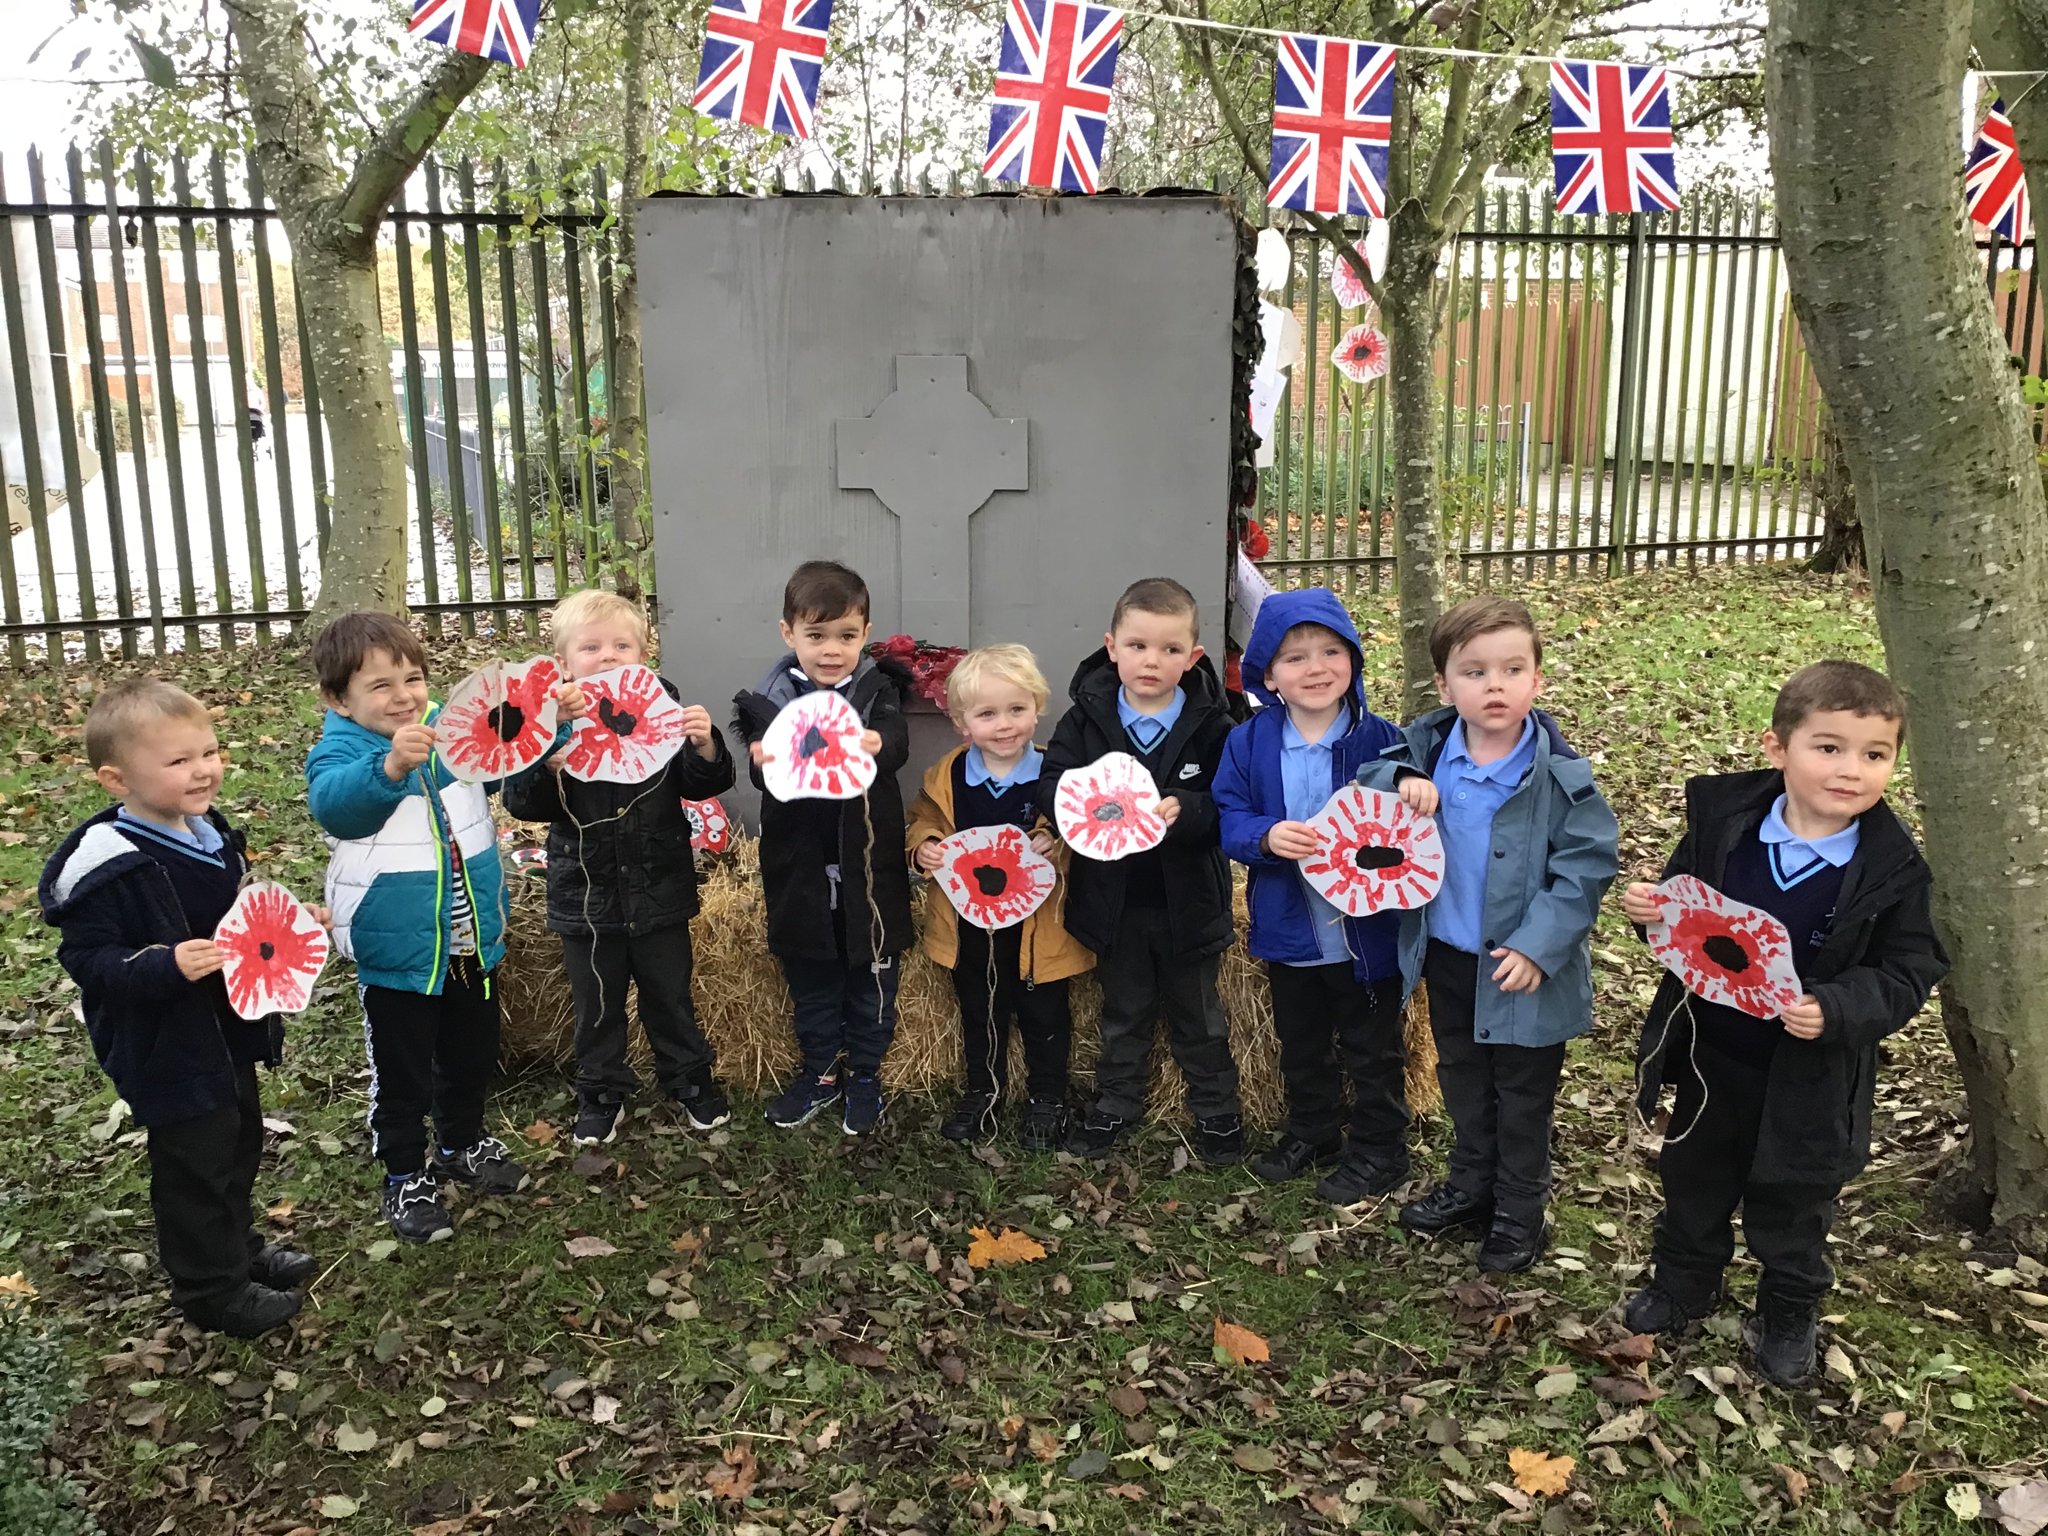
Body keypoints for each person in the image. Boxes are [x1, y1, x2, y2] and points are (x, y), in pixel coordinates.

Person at [1619, 661, 1947, 1387]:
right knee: (1693, 1178)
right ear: (1778, 748)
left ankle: (1788, 1307)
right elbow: (1686, 926)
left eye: (1874, 755)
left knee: (1794, 1203)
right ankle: (1683, 1284)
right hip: (1713, 1056)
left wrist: (1838, 1007)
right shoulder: (1727, 832)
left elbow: (1909, 967)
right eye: (1827, 747)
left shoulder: (1893, 871)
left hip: (1811, 1079)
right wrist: (1653, 914)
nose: (1850, 770)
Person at [39, 680, 314, 1337]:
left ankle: (240, 1254)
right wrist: (161, 964)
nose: (203, 770)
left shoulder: (207, 830)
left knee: (240, 1138)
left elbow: (237, 916)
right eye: (178, 761)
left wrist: (293, 923)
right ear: (116, 779)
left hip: (227, 1029)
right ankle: (212, 1292)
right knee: (195, 1163)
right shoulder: (110, 864)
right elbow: (88, 960)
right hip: (168, 1044)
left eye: (209, 752)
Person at [1359, 596, 1617, 1273]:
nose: (1494, 685)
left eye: (1511, 669)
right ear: (1445, 686)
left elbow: (1586, 865)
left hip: (1526, 966)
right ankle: (1472, 1185)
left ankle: (1519, 1210)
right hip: (1447, 954)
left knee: (1524, 1093)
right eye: (1474, 672)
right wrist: (1402, 778)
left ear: (1538, 679)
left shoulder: (1560, 777)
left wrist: (1540, 944)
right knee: (1465, 1077)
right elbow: (1371, 777)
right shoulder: (1428, 748)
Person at [306, 613, 581, 1243]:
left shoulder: (449, 732)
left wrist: (554, 719)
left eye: (414, 678)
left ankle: (462, 1140)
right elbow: (335, 805)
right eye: (379, 686)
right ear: (336, 699)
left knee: (470, 1054)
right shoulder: (342, 752)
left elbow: (509, 742)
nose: (403, 696)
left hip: (470, 942)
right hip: (399, 951)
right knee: (402, 1072)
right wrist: (390, 770)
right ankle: (405, 1171)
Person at [502, 589, 735, 1147]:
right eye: (591, 647)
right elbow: (522, 803)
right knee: (597, 1007)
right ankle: (601, 1093)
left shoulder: (662, 702)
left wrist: (705, 746)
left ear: (643, 653)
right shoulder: (546, 719)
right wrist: (546, 754)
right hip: (586, 897)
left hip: (659, 889)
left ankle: (689, 1081)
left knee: (669, 996)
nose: (608, 657)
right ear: (562, 661)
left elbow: (705, 784)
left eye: (621, 645)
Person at [1214, 588, 1410, 1202]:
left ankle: (1382, 1147)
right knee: (1300, 1042)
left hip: (1366, 934)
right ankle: (1313, 1130)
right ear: (1268, 674)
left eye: (1331, 651)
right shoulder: (1250, 742)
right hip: (1291, 928)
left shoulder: (1385, 742)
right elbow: (1229, 814)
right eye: (1295, 657)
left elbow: (1416, 829)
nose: (1316, 668)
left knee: (1372, 1046)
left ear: (1353, 660)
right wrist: (1265, 836)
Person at [1041, 577, 1242, 1163]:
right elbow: (1052, 783)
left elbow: (1230, 801)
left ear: (1194, 657)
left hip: (1190, 906)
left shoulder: (1215, 726)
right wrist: (1074, 805)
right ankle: (1114, 1106)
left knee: (1201, 1019)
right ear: (1111, 646)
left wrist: (1192, 810)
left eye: (1170, 649)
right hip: (1115, 904)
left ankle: (1218, 1112)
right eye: (1138, 646)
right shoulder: (1084, 721)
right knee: (1123, 1014)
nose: (1152, 660)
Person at [732, 560, 912, 1137]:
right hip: (800, 869)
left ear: (865, 633)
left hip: (867, 866)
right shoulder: (767, 701)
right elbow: (765, 779)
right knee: (812, 974)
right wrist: (763, 762)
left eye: (846, 636)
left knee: (871, 976)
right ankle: (819, 1073)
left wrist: (878, 743)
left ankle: (865, 1075)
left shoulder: (877, 690)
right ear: (789, 634)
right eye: (816, 636)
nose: (831, 650)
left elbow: (896, 749)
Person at [907, 644, 1089, 1149]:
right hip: (971, 928)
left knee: (1045, 1014)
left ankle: (1047, 1099)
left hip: (1039, 931)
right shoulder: (947, 777)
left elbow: (1081, 828)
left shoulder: (1057, 777)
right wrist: (924, 848)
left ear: (1038, 708)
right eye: (987, 714)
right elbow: (923, 819)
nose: (1004, 724)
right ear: (962, 722)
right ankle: (982, 1093)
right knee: (980, 1010)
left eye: (1017, 709)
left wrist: (1056, 838)